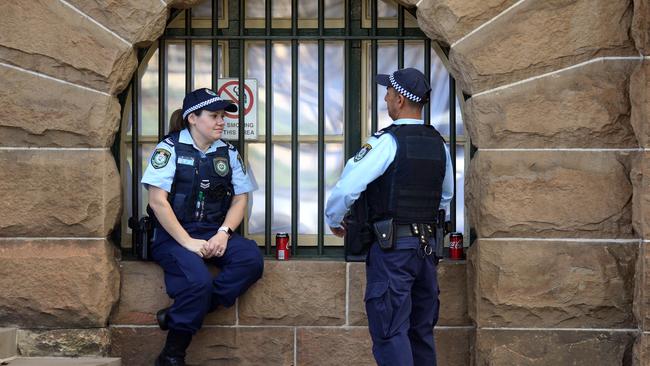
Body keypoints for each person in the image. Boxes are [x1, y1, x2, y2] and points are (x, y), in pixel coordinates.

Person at [325, 68, 454, 366]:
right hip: (426, 252)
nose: (385, 97)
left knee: (390, 331)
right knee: (420, 332)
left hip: (393, 250)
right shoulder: (438, 143)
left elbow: (348, 187)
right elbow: (444, 196)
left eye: (388, 93)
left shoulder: (386, 141)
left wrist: (334, 219)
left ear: (399, 100)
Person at [141, 88, 264, 366]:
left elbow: (240, 199)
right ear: (192, 118)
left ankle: (178, 314)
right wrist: (187, 242)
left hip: (213, 231)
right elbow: (158, 202)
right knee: (197, 283)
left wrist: (224, 233)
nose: (221, 121)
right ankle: (172, 356)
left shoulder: (228, 152)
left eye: (223, 116)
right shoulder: (169, 149)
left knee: (251, 260)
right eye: (214, 115)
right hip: (173, 236)